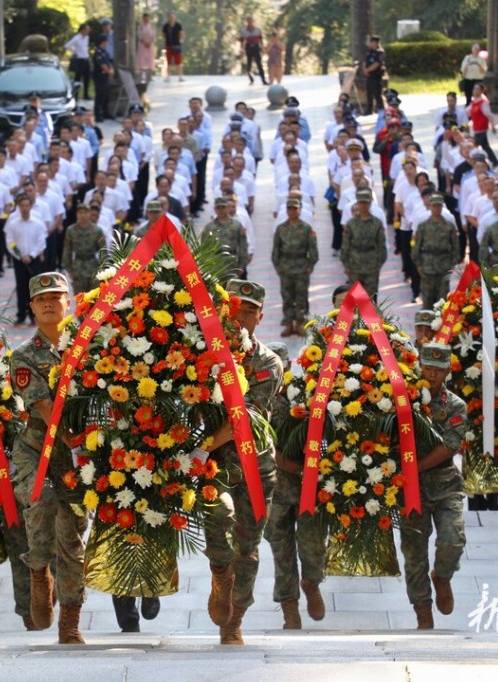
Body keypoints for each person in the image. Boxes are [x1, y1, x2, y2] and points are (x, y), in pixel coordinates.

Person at [195, 280, 281, 645]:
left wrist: (203, 445)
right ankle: (220, 575)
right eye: (235, 308)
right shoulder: (201, 354)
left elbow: (243, 419)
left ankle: (235, 618)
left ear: (261, 316)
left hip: (255, 466)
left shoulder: (267, 363)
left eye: (249, 310)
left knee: (247, 547)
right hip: (216, 465)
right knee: (217, 516)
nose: (241, 316)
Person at [10, 273, 90, 644]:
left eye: (55, 297)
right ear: (31, 307)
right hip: (37, 448)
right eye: (40, 299)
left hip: (77, 454)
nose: (47, 303)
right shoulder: (24, 356)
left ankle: (70, 622)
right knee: (42, 497)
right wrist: (73, 439)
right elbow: (42, 405)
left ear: (68, 303)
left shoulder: (89, 348)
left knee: (72, 539)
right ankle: (39, 570)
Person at [399, 342, 468, 630]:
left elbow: (451, 445)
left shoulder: (454, 405)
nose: (432, 374)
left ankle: (442, 576)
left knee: (452, 539)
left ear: (448, 371)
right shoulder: (405, 399)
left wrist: (417, 466)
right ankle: (423, 615)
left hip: (444, 486)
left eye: (438, 369)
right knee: (414, 554)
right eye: (427, 368)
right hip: (409, 489)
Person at [263, 341, 327, 628]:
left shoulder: (304, 394)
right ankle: (289, 607)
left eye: (283, 364)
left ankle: (311, 582)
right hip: (274, 488)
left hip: (306, 487)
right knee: (282, 550)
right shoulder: (258, 396)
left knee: (313, 544)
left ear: (288, 366)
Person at [271, 197, 319, 337]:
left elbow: (313, 248)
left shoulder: (306, 228)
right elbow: (276, 249)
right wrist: (277, 265)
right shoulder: (281, 228)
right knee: (287, 296)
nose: (292, 212)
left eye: (295, 209)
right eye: (289, 209)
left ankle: (299, 323)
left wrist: (311, 264)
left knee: (301, 296)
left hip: (301, 266)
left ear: (299, 210)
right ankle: (288, 324)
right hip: (285, 266)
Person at [5, 194, 48, 325]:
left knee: (34, 288)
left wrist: (32, 255)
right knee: (21, 287)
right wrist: (19, 256)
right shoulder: (13, 223)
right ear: (18, 207)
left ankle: (33, 314)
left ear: (30, 206)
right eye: (22, 205)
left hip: (33, 259)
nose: (24, 208)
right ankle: (21, 315)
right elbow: (9, 242)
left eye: (27, 205)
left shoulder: (37, 223)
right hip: (19, 260)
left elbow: (41, 242)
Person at [412, 193, 459, 310]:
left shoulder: (449, 226)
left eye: (439, 206)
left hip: (444, 265)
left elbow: (456, 247)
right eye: (434, 206)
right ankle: (427, 327)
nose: (436, 208)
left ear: (442, 206)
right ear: (430, 206)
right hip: (427, 266)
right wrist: (418, 264)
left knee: (443, 301)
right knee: (427, 299)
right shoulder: (423, 226)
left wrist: (452, 264)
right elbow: (417, 247)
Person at [340, 189, 387, 300]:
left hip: (371, 264)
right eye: (361, 202)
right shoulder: (351, 223)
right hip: (354, 264)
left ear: (370, 203)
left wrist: (379, 264)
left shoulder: (376, 223)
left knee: (371, 299)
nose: (363, 205)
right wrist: (346, 265)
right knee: (355, 299)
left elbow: (381, 246)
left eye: (365, 202)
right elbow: (345, 246)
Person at [61, 203, 105, 295]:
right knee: (80, 299)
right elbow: (67, 250)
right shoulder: (71, 230)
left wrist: (103, 269)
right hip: (77, 268)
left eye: (85, 212)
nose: (83, 215)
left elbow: (103, 251)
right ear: (77, 215)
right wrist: (69, 270)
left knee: (94, 298)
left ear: (89, 214)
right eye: (80, 213)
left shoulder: (97, 230)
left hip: (93, 267)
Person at [203, 197, 249, 278]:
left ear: (227, 208)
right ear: (215, 209)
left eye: (223, 207)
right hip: (215, 265)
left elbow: (243, 247)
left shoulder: (237, 225)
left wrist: (242, 266)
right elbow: (204, 249)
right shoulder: (209, 227)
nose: (221, 210)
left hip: (232, 264)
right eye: (218, 208)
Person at [470, 83, 498, 168]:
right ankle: (495, 161)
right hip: (476, 127)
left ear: (481, 91)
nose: (475, 91)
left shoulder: (483, 103)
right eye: (474, 89)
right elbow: (468, 111)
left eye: (477, 89)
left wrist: (493, 126)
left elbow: (489, 115)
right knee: (485, 146)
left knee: (474, 145)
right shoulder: (474, 101)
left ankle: (476, 162)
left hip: (481, 128)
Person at [65, 23, 92, 100]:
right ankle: (76, 95)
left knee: (87, 77)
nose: (88, 32)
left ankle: (85, 94)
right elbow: (67, 46)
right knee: (78, 78)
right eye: (86, 30)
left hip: (86, 58)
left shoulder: (87, 38)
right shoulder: (77, 38)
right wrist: (74, 52)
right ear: (82, 30)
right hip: (79, 60)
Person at [93, 34, 115, 123]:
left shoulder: (104, 52)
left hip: (106, 77)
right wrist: (108, 71)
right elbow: (101, 64)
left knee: (106, 95)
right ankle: (98, 114)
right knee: (100, 95)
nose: (107, 43)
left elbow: (108, 62)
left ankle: (105, 112)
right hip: (99, 76)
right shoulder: (98, 52)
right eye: (106, 41)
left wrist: (111, 70)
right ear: (102, 42)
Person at [240, 16, 267, 86]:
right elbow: (242, 41)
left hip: (256, 47)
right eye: (249, 21)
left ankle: (263, 80)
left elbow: (261, 39)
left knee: (259, 64)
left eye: (251, 21)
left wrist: (262, 48)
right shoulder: (244, 31)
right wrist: (242, 49)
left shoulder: (257, 29)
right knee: (249, 64)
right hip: (249, 47)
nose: (250, 23)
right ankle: (251, 79)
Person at [363, 35, 386, 115]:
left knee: (377, 93)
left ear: (375, 43)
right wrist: (365, 70)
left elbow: (377, 64)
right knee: (369, 93)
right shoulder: (369, 51)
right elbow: (365, 61)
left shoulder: (380, 52)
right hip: (369, 76)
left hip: (376, 76)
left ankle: (381, 109)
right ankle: (369, 109)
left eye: (371, 42)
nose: (370, 44)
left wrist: (368, 70)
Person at [162, 13, 184, 82]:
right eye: (170, 17)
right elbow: (164, 35)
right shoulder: (166, 26)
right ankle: (168, 76)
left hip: (177, 45)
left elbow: (181, 34)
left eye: (173, 17)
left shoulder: (178, 25)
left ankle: (180, 76)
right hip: (169, 45)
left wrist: (178, 41)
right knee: (169, 61)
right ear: (169, 18)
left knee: (179, 61)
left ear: (175, 18)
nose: (172, 18)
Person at [136, 13, 156, 83]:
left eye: (147, 18)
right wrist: (144, 42)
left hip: (150, 46)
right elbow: (139, 35)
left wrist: (150, 42)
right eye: (145, 18)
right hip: (142, 45)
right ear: (143, 19)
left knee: (150, 60)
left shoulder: (152, 26)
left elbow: (153, 36)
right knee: (141, 60)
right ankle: (141, 76)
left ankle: (149, 76)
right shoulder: (140, 26)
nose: (146, 20)